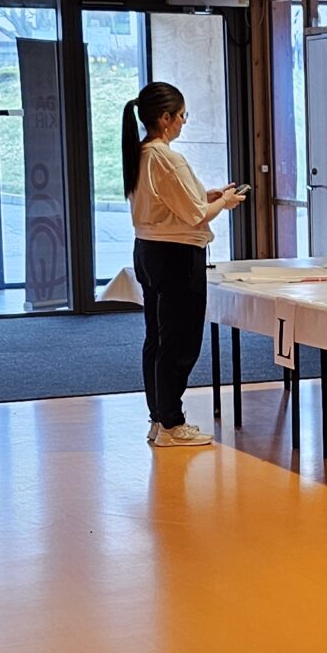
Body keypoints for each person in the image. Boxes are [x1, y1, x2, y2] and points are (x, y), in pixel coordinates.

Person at [126, 82, 244, 448]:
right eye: (181, 116)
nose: (183, 122)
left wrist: (207, 196)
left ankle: (159, 419)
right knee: (179, 342)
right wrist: (223, 203)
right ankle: (172, 424)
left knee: (157, 339)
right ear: (165, 118)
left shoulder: (141, 153)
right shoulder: (166, 157)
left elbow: (174, 203)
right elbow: (195, 215)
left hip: (148, 250)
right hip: (176, 254)